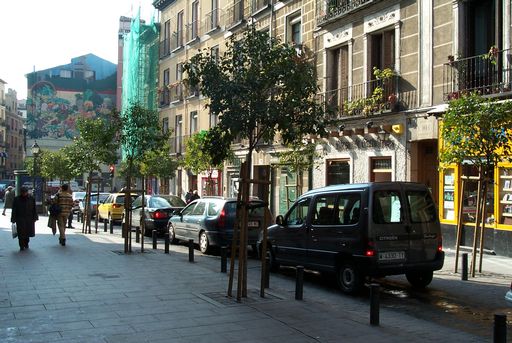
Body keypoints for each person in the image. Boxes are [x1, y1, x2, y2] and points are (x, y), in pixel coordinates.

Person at [11, 186, 38, 251]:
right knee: (20, 232)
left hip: (29, 218)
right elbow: (14, 209)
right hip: (20, 218)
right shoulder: (17, 199)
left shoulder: (31, 198)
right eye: (23, 192)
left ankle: (26, 243)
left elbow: (34, 208)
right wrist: (13, 218)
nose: (24, 193)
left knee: (28, 232)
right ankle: (21, 245)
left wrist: (35, 217)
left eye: (25, 192)